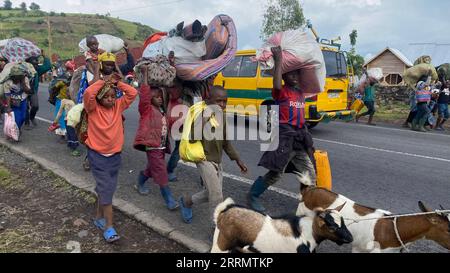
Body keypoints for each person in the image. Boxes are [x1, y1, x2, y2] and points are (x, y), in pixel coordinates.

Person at [247, 46, 317, 213]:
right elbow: (276, 84)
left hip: (299, 139)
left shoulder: (300, 93)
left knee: (310, 174)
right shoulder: (282, 91)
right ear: (284, 76)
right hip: (285, 138)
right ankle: (253, 195)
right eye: (290, 74)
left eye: (297, 74)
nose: (294, 77)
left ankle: (307, 204)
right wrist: (278, 60)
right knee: (276, 174)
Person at [179, 86, 247, 233]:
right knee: (217, 196)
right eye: (218, 101)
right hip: (203, 159)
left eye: (225, 101)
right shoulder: (202, 114)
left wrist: (237, 159)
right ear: (209, 101)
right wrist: (206, 117)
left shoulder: (221, 117)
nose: (222, 105)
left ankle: (186, 201)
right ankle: (216, 231)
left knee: (210, 192)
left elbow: (226, 142)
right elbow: (193, 138)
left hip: (217, 161)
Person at [84, 75, 138, 243]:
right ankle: (109, 227)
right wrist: (103, 81)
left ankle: (99, 217)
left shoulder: (118, 107)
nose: (110, 99)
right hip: (97, 156)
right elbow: (88, 93)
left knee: (106, 189)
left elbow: (132, 92)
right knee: (107, 191)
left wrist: (117, 83)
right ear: (99, 97)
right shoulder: (92, 108)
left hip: (114, 156)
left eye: (113, 96)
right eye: (106, 96)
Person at [133, 65, 178, 210]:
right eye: (156, 97)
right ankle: (169, 199)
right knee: (161, 171)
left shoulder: (162, 109)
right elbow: (144, 95)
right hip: (152, 145)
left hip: (161, 146)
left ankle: (140, 182)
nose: (159, 99)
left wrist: (171, 64)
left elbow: (169, 92)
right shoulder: (146, 109)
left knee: (152, 169)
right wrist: (145, 75)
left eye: (160, 97)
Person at [24, 51, 52, 130]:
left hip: (33, 91)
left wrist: (44, 56)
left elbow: (47, 66)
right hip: (24, 92)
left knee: (35, 106)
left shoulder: (37, 70)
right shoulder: (23, 69)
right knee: (25, 108)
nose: (35, 66)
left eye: (36, 64)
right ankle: (26, 122)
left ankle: (31, 117)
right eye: (33, 64)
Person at [3, 66, 32, 137]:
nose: (16, 78)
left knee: (23, 117)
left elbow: (29, 91)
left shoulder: (25, 79)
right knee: (17, 118)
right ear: (12, 76)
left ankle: (16, 129)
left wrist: (23, 83)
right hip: (13, 102)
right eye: (14, 76)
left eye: (18, 76)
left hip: (23, 101)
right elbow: (7, 95)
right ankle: (14, 132)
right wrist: (8, 107)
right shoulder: (8, 82)